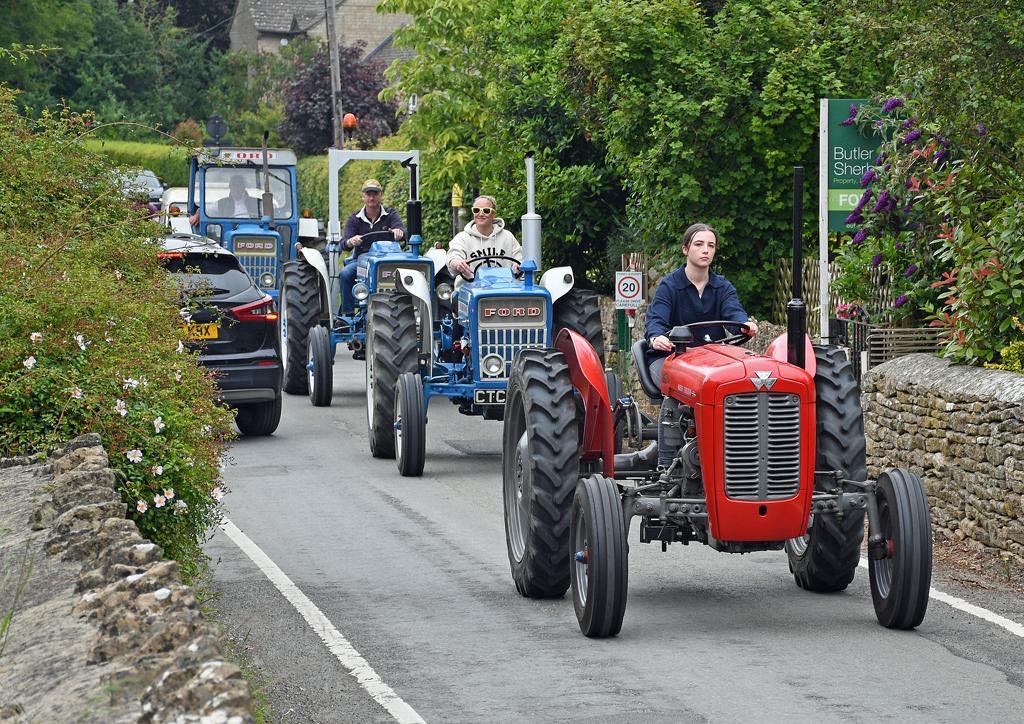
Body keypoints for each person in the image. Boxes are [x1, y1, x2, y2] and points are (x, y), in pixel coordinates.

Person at [645, 222, 758, 381]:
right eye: (699, 244)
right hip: (673, 356)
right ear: (685, 249)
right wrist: (657, 337)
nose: (706, 250)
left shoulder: (723, 287)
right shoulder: (669, 286)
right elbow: (656, 319)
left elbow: (733, 312)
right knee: (687, 382)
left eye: (711, 245)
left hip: (713, 359)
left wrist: (745, 325)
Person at [339, 179, 406, 315]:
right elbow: (344, 243)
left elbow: (402, 231)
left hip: (388, 260)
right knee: (345, 274)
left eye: (375, 194)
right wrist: (351, 241)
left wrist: (399, 233)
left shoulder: (390, 214)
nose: (371, 198)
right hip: (361, 262)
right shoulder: (354, 219)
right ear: (363, 197)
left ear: (381, 195)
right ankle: (348, 314)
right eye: (368, 194)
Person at [447, 195, 523, 279]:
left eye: (486, 211)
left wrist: (518, 267)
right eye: (476, 210)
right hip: (471, 288)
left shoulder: (508, 237)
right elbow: (453, 257)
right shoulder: (462, 238)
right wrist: (457, 263)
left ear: (493, 214)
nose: (481, 214)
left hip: (504, 288)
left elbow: (519, 259)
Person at [188, 174, 259, 226]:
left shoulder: (256, 202)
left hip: (254, 230)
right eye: (234, 185)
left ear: (244, 187)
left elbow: (268, 213)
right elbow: (204, 210)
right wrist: (196, 215)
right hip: (230, 230)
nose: (237, 189)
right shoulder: (221, 203)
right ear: (230, 187)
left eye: (239, 186)